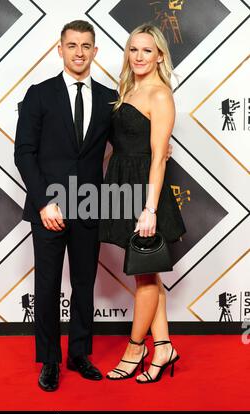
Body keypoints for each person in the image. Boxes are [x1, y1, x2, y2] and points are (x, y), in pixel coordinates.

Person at [14, 20, 119, 391]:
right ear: (59, 49)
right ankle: (49, 360)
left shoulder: (109, 98)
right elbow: (24, 154)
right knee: (46, 286)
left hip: (90, 205)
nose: (78, 51)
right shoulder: (39, 94)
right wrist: (45, 202)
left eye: (86, 45)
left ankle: (79, 352)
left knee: (84, 283)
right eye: (71, 45)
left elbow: (127, 143)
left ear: (95, 51)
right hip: (49, 209)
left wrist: (161, 145)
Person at [99, 23, 186, 383]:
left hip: (144, 190)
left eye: (147, 50)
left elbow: (157, 157)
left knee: (145, 273)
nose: (139, 57)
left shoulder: (160, 94)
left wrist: (149, 209)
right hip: (122, 182)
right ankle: (163, 345)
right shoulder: (127, 88)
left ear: (160, 55)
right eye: (133, 49)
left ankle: (136, 347)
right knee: (146, 271)